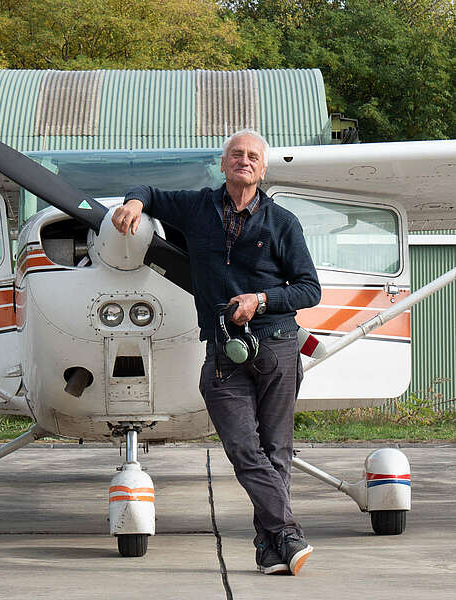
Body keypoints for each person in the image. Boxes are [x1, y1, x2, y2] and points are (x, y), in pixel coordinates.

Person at [112, 129, 321, 575]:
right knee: (245, 450)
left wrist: (260, 300)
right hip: (225, 353)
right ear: (223, 164)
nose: (243, 161)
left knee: (277, 450)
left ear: (262, 169)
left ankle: (270, 550)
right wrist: (133, 203)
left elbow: (309, 289)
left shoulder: (283, 222)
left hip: (278, 345)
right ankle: (287, 532)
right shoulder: (197, 207)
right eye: (235, 154)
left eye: (252, 157)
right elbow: (148, 191)